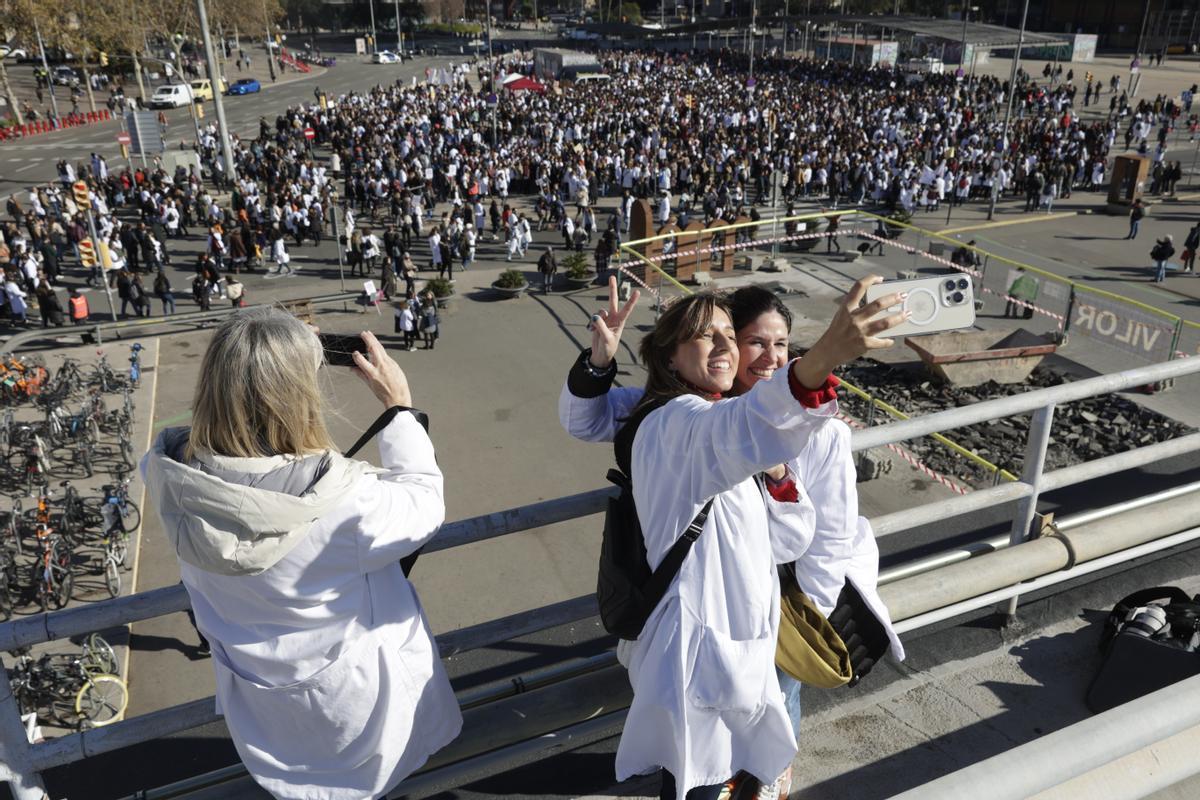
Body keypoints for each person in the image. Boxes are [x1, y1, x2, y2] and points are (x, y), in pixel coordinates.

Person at [560, 277, 904, 799]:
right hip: (706, 640)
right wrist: (828, 355)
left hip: (756, 617)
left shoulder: (716, 411)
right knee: (702, 769)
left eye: (781, 344)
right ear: (672, 357)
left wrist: (783, 484)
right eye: (716, 337)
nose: (750, 353)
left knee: (730, 751)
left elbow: (798, 536)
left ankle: (761, 778)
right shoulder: (682, 419)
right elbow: (745, 425)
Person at [141, 310, 461, 800]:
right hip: (354, 713)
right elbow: (424, 501)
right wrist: (399, 409)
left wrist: (270, 354)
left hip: (262, 706)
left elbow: (227, 443)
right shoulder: (341, 504)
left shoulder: (170, 477)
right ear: (300, 396)